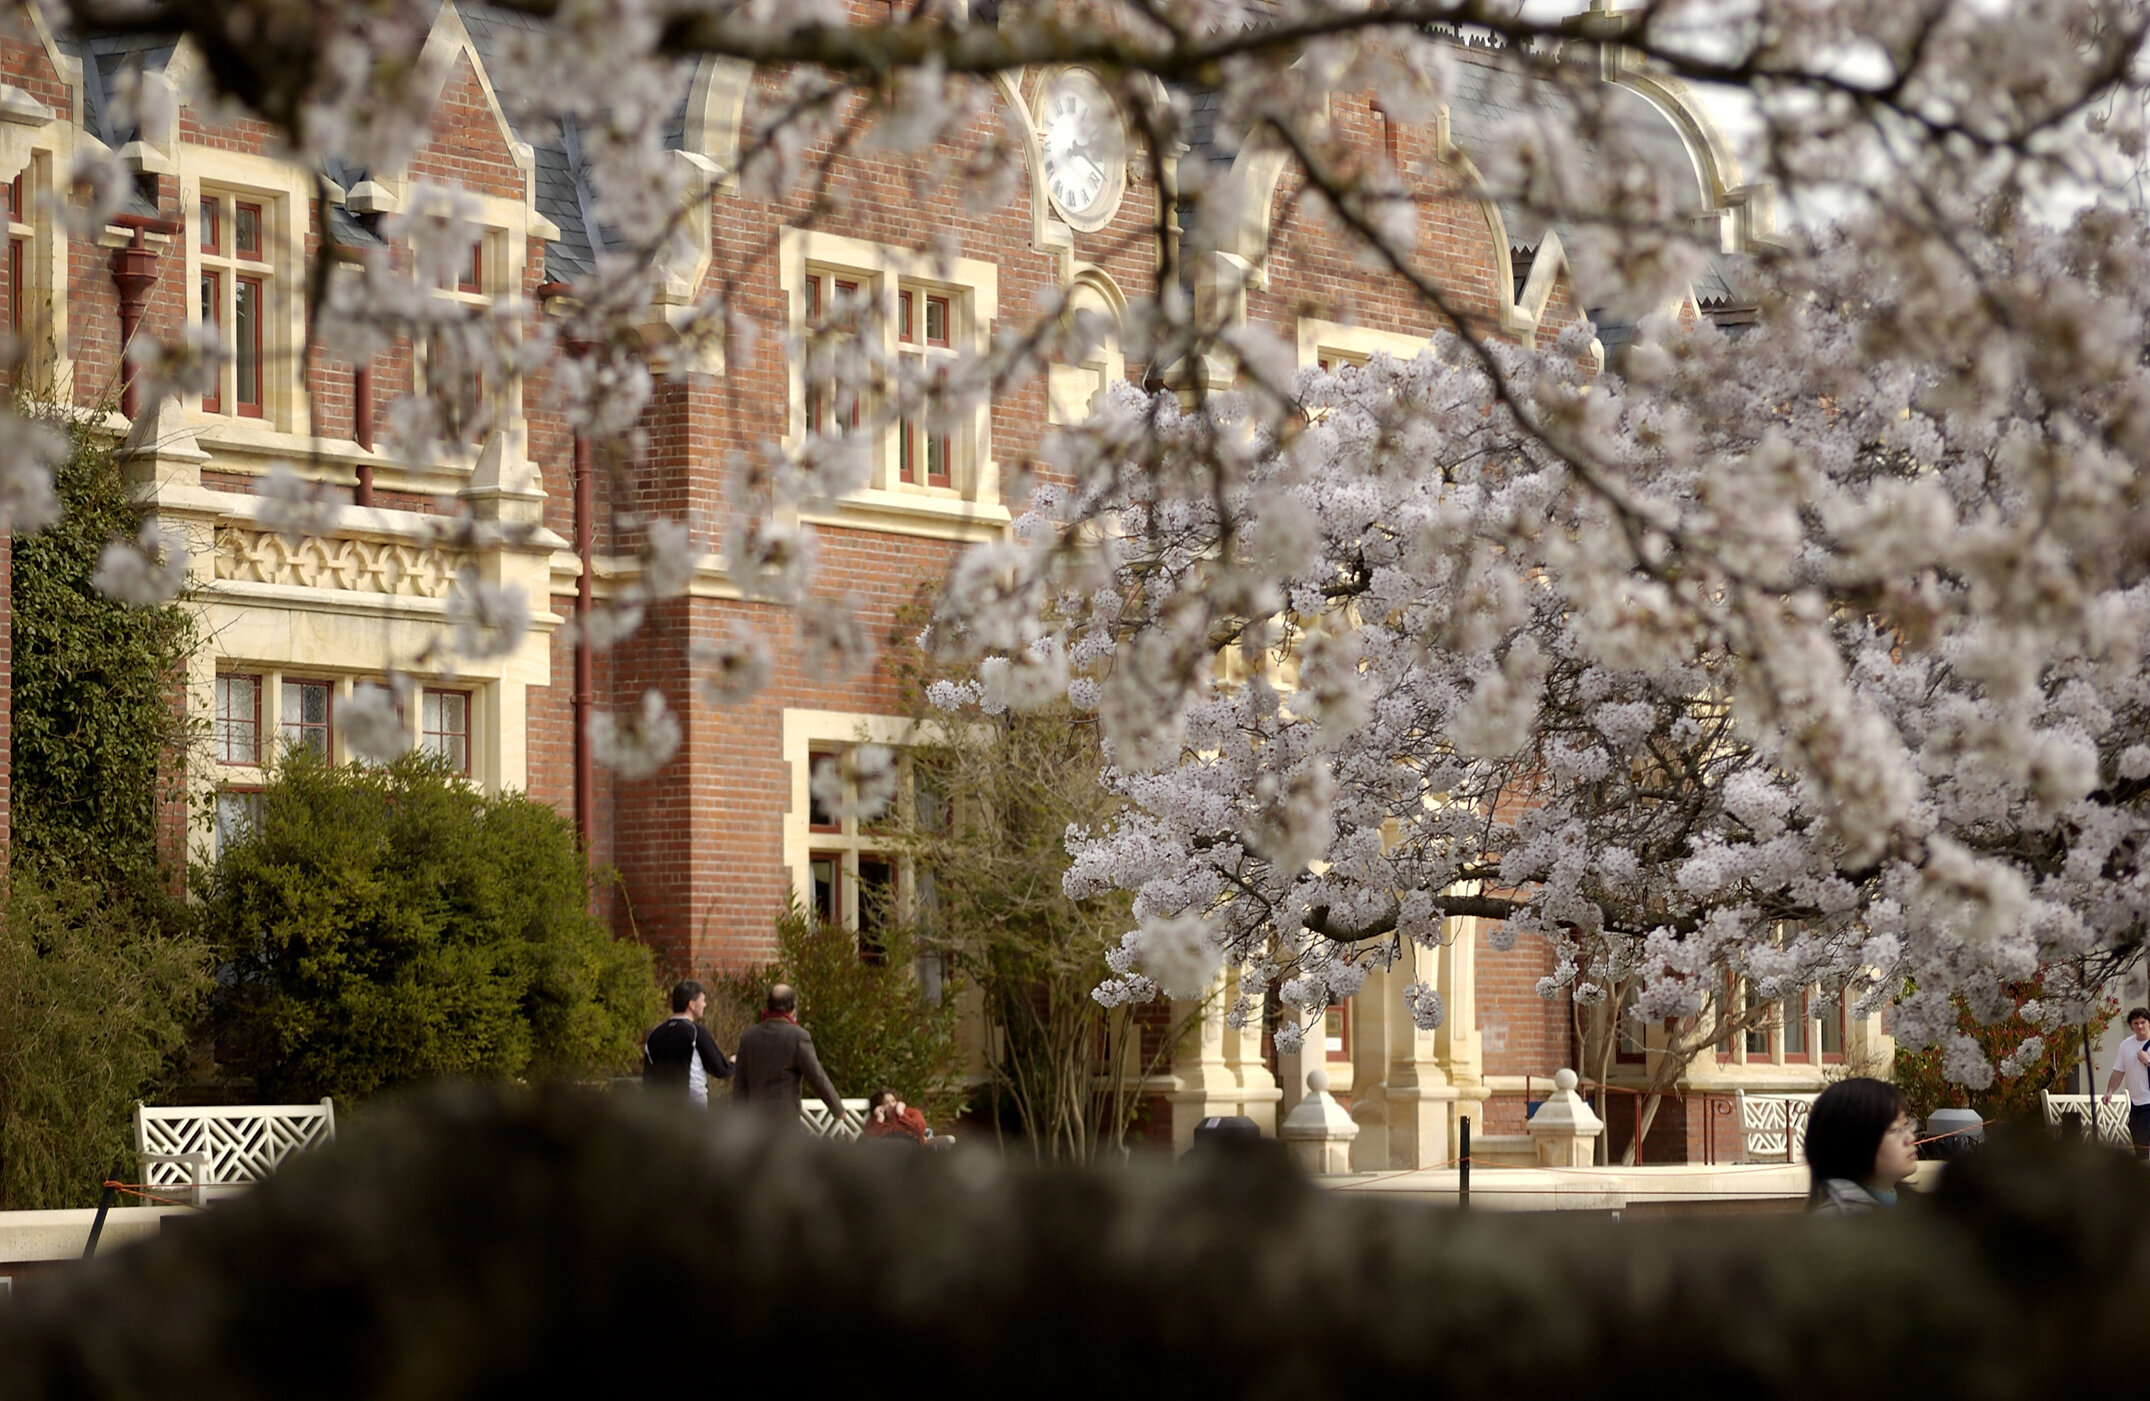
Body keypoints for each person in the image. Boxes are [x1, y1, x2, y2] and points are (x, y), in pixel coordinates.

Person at [731, 983, 845, 1126]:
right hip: (784, 1120)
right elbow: (816, 1076)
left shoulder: (749, 1036)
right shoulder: (797, 1036)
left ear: (768, 1005)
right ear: (793, 1006)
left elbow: (740, 1082)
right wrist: (837, 1109)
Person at [1804, 1076, 1919, 1213]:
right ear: (1855, 1143)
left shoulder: (1915, 1208)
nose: (1910, 1138)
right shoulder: (1834, 1223)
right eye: (1896, 1130)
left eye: (1906, 1125)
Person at [643, 979, 732, 1107]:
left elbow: (648, 1079)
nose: (705, 1005)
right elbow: (720, 1069)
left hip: (660, 1112)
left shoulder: (654, 1035)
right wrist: (733, 1063)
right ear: (691, 1004)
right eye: (702, 1000)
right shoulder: (696, 1033)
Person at [2101, 1006, 2150, 1157]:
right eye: (2136, 1023)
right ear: (2131, 1026)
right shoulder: (2126, 1045)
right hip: (2136, 1102)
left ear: (2149, 1023)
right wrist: (2110, 1091)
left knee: (2142, 1141)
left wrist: (2148, 1061)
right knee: (2135, 1132)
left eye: (2143, 1022)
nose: (2140, 1026)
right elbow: (2118, 1071)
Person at [861, 1088, 929, 1145]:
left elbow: (920, 1129)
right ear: (879, 1107)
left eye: (893, 1101)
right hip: (887, 1153)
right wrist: (879, 1120)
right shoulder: (875, 1120)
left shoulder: (910, 1112)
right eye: (886, 1103)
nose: (891, 1105)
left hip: (910, 1148)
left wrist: (901, 1114)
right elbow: (867, 1139)